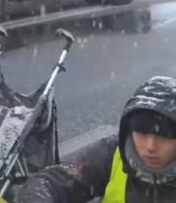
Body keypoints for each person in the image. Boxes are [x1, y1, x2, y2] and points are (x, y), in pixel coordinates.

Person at [17, 76, 176, 203]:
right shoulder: (113, 154)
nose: (150, 146)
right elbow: (50, 182)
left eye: (165, 137)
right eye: (141, 132)